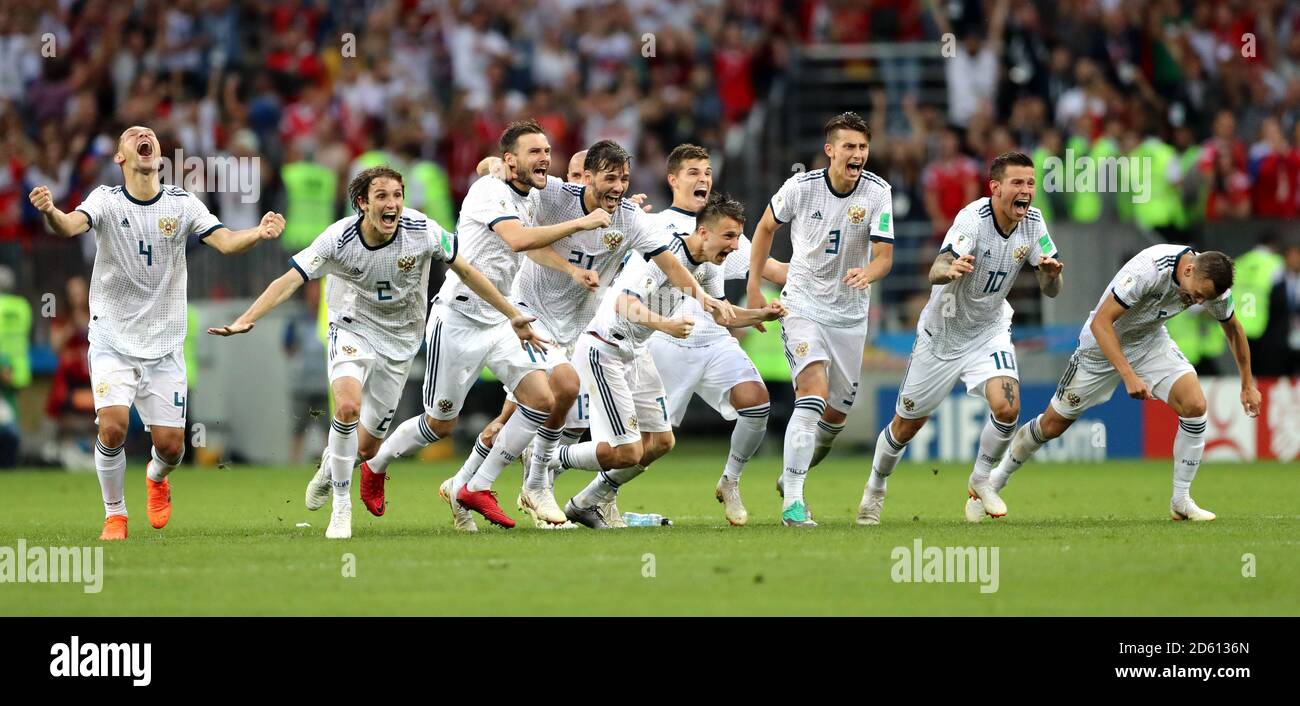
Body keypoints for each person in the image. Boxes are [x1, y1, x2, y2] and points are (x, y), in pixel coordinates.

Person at [208, 164, 545, 539]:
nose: (393, 204)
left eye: (397, 195)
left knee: (367, 448)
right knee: (348, 407)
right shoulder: (337, 239)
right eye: (382, 196)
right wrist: (247, 318)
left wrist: (512, 313)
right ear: (361, 203)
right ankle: (341, 507)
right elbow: (288, 280)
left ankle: (328, 469)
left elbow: (466, 271)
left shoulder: (424, 231)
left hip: (400, 342)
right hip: (352, 329)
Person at [29, 125, 285, 540]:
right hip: (112, 337)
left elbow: (224, 241)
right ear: (121, 157)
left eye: (149, 134)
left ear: (158, 155)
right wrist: (50, 212)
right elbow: (70, 226)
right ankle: (115, 515)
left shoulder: (182, 205)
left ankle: (156, 476)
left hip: (163, 344)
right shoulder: (106, 201)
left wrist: (257, 232)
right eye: (133, 135)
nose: (143, 136)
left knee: (171, 447)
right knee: (111, 426)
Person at [859, 152, 1063, 526]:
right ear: (996, 187)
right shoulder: (973, 219)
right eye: (1018, 183)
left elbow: (1052, 290)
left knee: (1007, 407)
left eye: (1031, 184)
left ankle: (981, 480)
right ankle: (876, 487)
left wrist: (1050, 274)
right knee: (906, 426)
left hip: (989, 331)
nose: (1026, 191)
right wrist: (948, 268)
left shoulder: (1033, 223)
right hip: (942, 335)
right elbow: (938, 267)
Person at [563, 192, 785, 529]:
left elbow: (722, 315)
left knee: (662, 442)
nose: (736, 246)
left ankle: (588, 502)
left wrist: (762, 314)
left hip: (636, 354)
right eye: (729, 236)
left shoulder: (707, 265)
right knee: (626, 452)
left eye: (738, 237)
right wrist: (665, 324)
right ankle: (548, 456)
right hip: (606, 347)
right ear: (703, 233)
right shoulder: (664, 256)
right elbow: (624, 305)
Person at [987, 247, 1260, 521]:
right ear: (1188, 270)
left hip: (1149, 342)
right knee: (1052, 425)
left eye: (1205, 299)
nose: (1199, 302)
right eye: (1198, 294)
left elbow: (1233, 329)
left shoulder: (1212, 285)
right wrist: (1129, 375)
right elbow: (1102, 323)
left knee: (1195, 405)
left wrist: (1247, 383)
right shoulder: (1149, 269)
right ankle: (997, 478)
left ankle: (1181, 499)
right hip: (1100, 348)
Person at [747, 111, 895, 527]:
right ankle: (793, 502)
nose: (858, 154)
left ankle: (790, 475)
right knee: (810, 394)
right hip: (803, 306)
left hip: (849, 317)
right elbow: (763, 228)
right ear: (830, 151)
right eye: (849, 146)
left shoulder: (878, 193)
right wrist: (756, 287)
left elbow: (884, 256)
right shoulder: (801, 187)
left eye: (863, 147)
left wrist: (869, 271)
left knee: (833, 421)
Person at [645, 144, 788, 525]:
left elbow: (773, 269)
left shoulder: (723, 232)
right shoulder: (655, 227)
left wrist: (827, 274)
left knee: (756, 403)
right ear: (673, 179)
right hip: (665, 344)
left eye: (707, 172)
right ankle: (593, 492)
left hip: (714, 340)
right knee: (645, 449)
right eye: (693, 172)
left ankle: (731, 480)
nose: (703, 178)